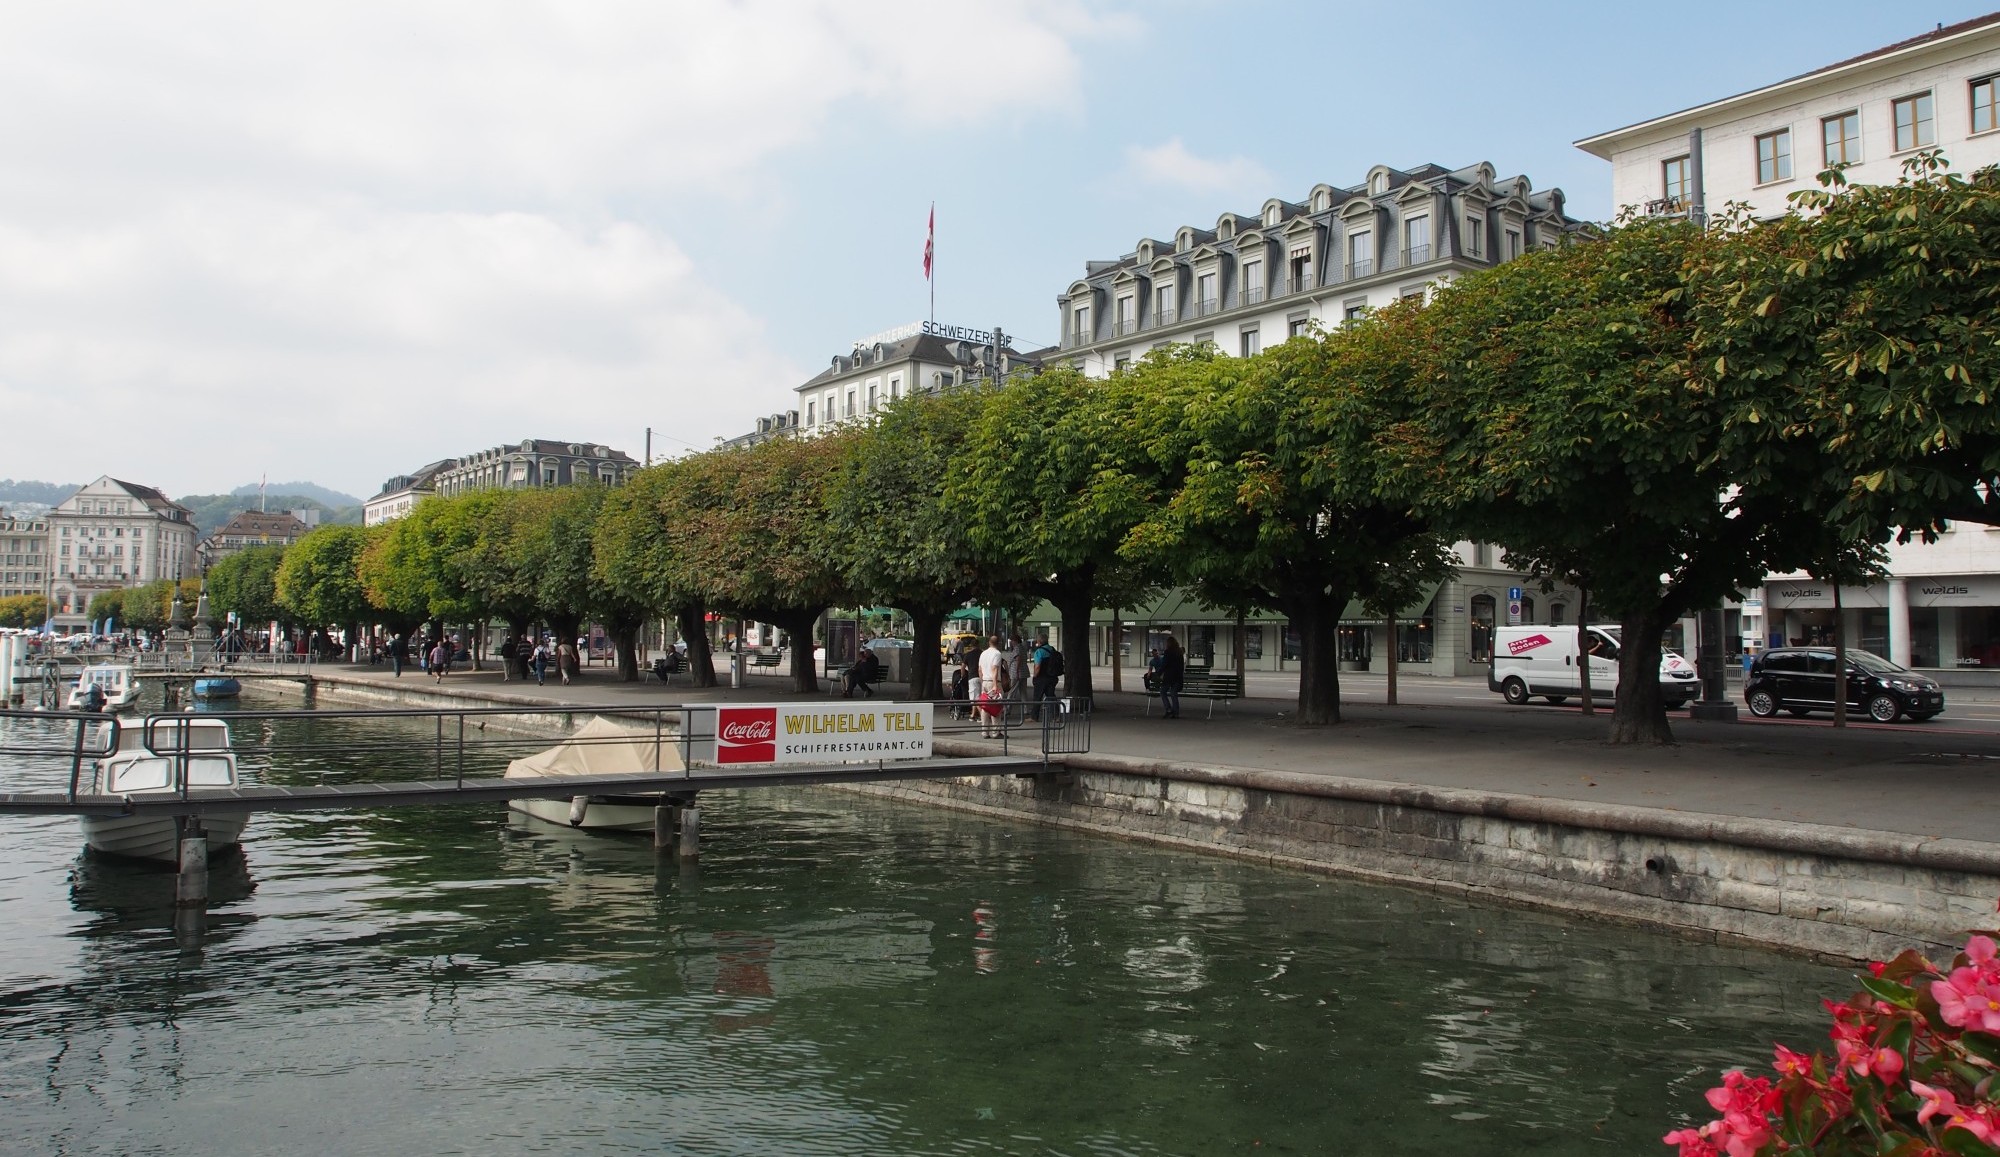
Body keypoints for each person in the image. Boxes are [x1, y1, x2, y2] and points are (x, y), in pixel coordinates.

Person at [977, 634, 1008, 738]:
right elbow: (994, 669)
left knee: (985, 707)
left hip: (985, 681)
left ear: (989, 643)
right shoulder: (997, 654)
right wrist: (995, 685)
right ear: (998, 643)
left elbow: (980, 670)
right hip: (993, 682)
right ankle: (996, 732)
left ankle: (984, 732)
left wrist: (982, 683)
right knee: (996, 707)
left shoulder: (983, 654)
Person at [1029, 633, 1063, 720]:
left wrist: (1035, 676)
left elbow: (1037, 666)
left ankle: (1034, 717)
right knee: (1051, 696)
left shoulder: (1039, 652)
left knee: (1037, 697)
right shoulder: (1052, 649)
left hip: (1041, 677)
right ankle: (1056, 716)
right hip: (1052, 677)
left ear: (1039, 641)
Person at [1158, 636, 1186, 720]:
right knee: (1173, 694)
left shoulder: (1168, 652)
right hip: (1177, 676)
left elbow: (1164, 664)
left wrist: (1159, 673)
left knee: (1163, 692)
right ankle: (1176, 712)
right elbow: (1181, 666)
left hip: (1169, 676)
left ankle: (1168, 709)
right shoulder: (1179, 652)